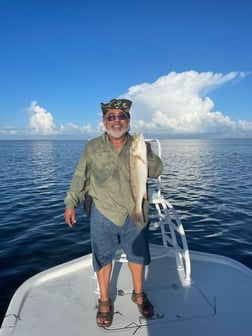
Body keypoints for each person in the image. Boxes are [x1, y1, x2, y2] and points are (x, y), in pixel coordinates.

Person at [64, 98, 163, 327]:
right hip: (103, 211)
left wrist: (147, 153)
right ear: (104, 121)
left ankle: (139, 294)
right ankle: (105, 300)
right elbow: (80, 177)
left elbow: (156, 171)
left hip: (134, 211)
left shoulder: (138, 145)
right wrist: (71, 203)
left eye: (121, 117)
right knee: (102, 256)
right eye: (111, 117)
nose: (116, 121)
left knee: (137, 255)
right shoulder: (92, 147)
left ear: (128, 120)